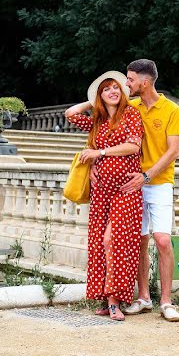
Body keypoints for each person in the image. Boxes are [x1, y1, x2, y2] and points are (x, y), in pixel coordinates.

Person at [64, 71, 144, 321]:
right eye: (106, 89)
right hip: (101, 191)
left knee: (114, 240)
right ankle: (103, 297)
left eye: (116, 88)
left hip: (125, 190)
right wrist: (92, 98)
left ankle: (114, 301)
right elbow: (71, 114)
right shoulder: (97, 120)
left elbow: (134, 146)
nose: (113, 91)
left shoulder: (131, 114)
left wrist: (100, 153)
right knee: (100, 243)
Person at [120, 59, 179, 322]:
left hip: (158, 183)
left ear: (144, 82)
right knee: (140, 241)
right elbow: (100, 108)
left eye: (130, 79)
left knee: (162, 240)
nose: (127, 83)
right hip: (132, 183)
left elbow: (174, 151)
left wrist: (146, 176)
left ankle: (167, 302)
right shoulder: (131, 107)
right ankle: (144, 298)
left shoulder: (172, 110)